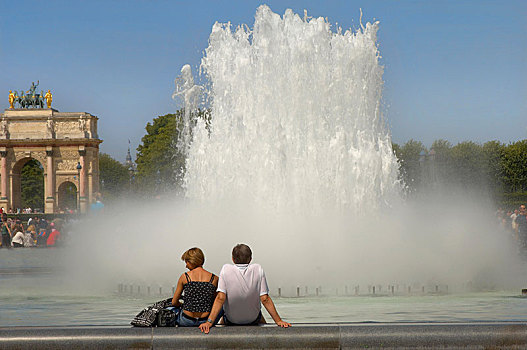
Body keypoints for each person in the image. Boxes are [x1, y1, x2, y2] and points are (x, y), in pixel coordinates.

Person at [199, 244, 291, 334]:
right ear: (250, 258)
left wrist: (209, 322)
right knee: (260, 317)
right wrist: (278, 321)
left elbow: (220, 298)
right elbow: (265, 299)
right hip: (253, 319)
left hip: (231, 320)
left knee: (224, 316)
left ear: (233, 259)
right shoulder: (258, 269)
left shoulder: (225, 269)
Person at [170, 247, 221, 327]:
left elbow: (174, 302)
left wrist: (182, 305)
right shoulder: (214, 279)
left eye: (186, 262)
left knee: (172, 309)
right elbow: (216, 301)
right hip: (205, 320)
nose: (186, 266)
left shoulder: (185, 277)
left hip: (187, 320)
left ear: (192, 261)